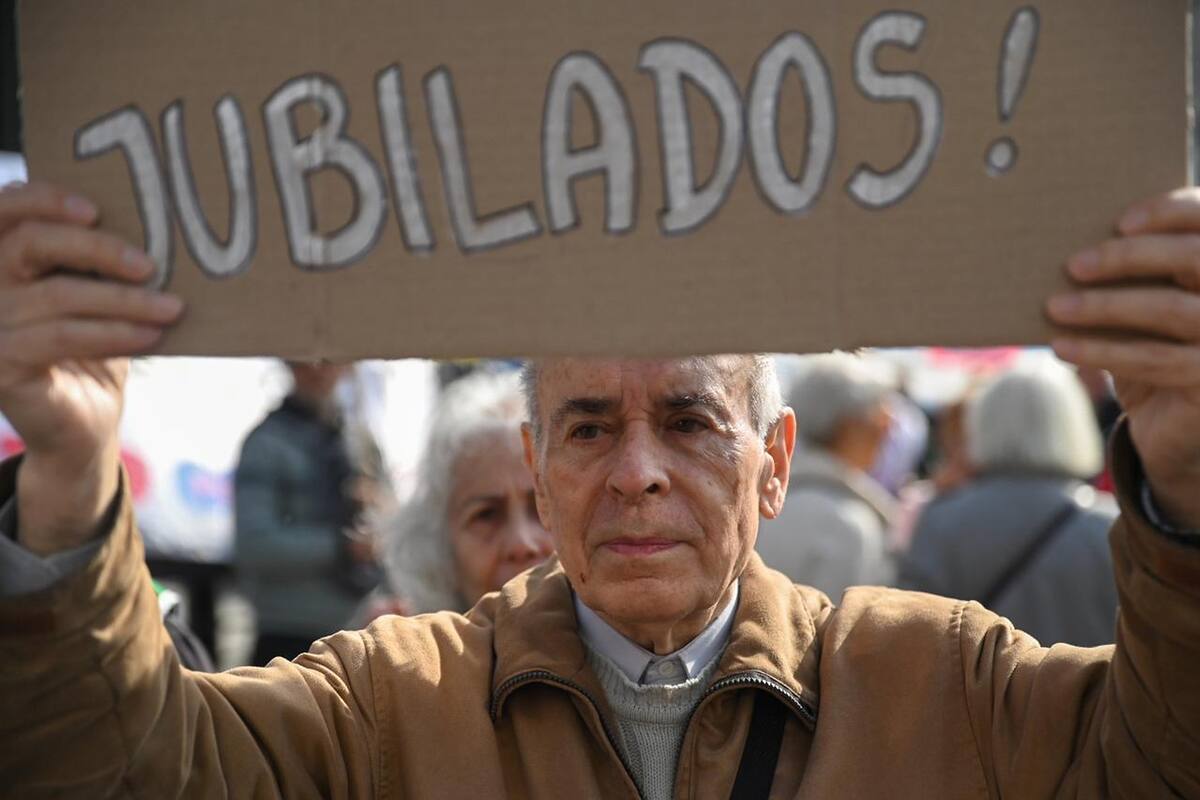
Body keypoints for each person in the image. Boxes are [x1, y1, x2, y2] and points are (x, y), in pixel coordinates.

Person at [1, 181, 1200, 797]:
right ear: (538, 465)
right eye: (587, 426)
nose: (636, 468)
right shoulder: (389, 709)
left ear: (773, 462)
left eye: (687, 419)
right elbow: (128, 773)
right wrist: (64, 471)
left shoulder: (950, 686)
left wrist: (1188, 480)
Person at [900, 361, 1119, 646]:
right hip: (1089, 688)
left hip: (977, 690)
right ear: (1075, 423)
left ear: (982, 424)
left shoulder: (941, 518)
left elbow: (913, 631)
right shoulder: (1111, 525)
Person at [364, 368, 554, 618]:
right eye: (486, 515)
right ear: (441, 551)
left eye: (543, 503)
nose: (522, 543)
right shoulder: (408, 651)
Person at [234, 360, 389, 665]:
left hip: (354, 631)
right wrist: (343, 547)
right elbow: (255, 545)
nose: (319, 368)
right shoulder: (266, 444)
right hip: (288, 635)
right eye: (306, 359)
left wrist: (378, 508)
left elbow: (390, 520)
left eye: (331, 359)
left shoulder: (360, 440)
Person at [755, 353, 897, 598]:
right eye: (879, 415)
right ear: (848, 425)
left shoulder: (761, 502)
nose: (889, 428)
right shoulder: (850, 525)